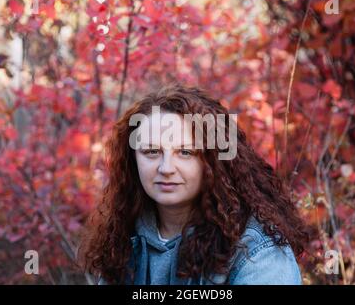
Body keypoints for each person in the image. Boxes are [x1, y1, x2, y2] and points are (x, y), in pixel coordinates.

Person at [78, 83, 309, 285]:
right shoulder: (122, 238)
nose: (166, 168)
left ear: (214, 160)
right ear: (132, 159)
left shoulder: (257, 252)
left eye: (185, 152)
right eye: (151, 151)